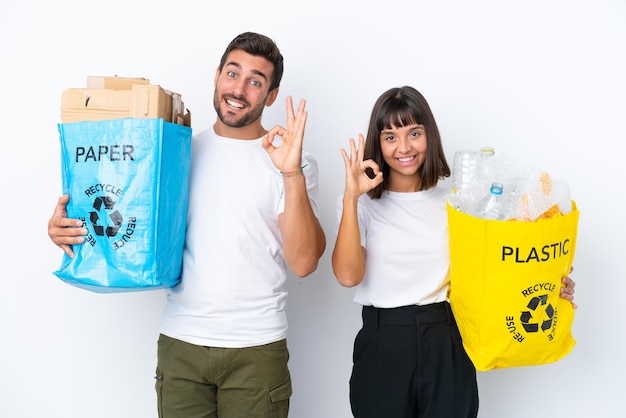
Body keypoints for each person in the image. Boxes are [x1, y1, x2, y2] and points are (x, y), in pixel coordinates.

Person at [48, 32, 326, 418]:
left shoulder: (295, 162)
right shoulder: (173, 152)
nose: (239, 89)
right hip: (182, 345)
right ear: (216, 76)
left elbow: (305, 261)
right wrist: (69, 228)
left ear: (271, 95)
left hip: (257, 348)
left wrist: (291, 174)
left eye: (256, 81)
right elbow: (121, 217)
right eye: (233, 73)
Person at [331, 86, 576, 418]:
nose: (403, 147)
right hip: (383, 343)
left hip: (446, 338)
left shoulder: (459, 203)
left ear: (429, 136)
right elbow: (348, 276)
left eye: (414, 133)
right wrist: (350, 197)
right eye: (390, 137)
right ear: (378, 144)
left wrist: (548, 284)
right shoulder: (360, 205)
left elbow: (496, 268)